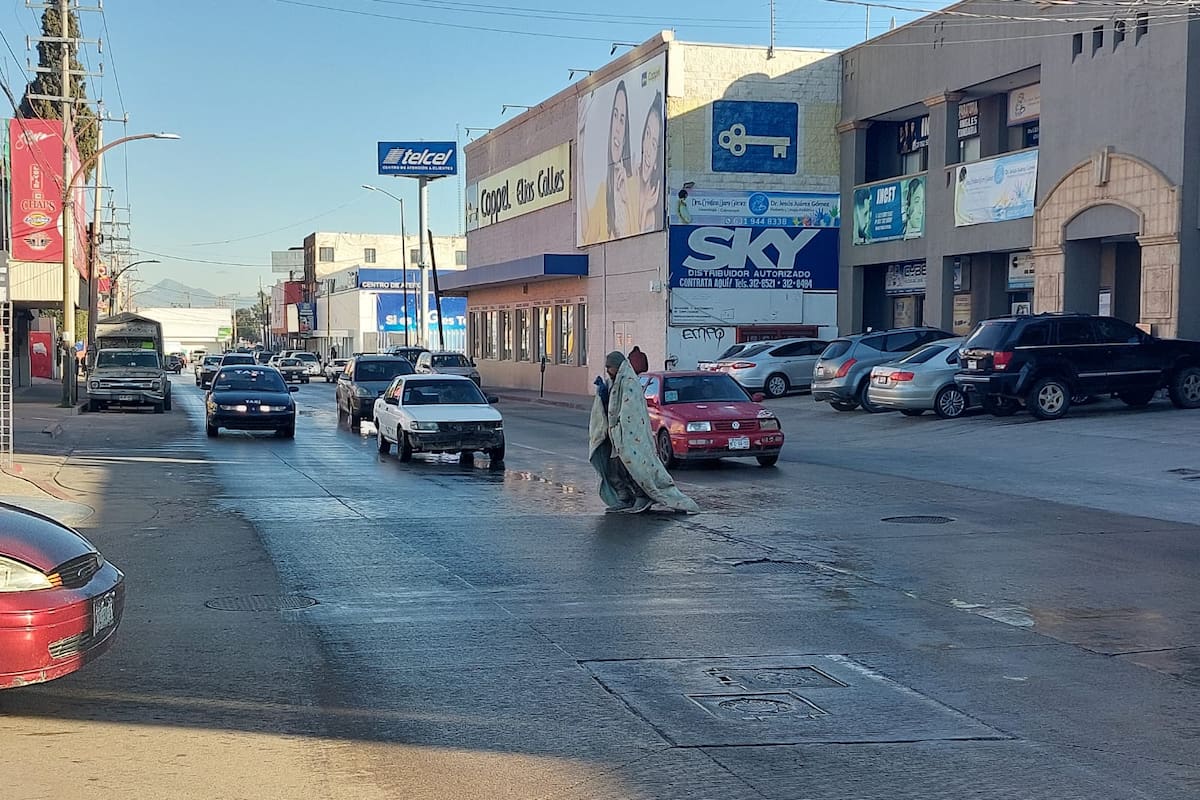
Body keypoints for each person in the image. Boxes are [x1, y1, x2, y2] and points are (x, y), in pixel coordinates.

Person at [589, 351, 699, 515]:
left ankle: (643, 496)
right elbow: (609, 406)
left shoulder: (629, 383)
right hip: (613, 435)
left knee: (635, 465)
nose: (607, 370)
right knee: (614, 467)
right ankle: (625, 497)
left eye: (609, 367)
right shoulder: (613, 383)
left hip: (628, 436)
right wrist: (603, 395)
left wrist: (620, 429)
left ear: (618, 367)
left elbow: (630, 411)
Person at [580, 81, 634, 243]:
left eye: (622, 120)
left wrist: (626, 198)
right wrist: (580, 153)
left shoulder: (634, 184)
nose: (617, 127)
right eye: (615, 116)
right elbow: (586, 233)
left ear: (625, 136)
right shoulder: (603, 192)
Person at [635, 92, 664, 233]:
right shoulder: (626, 184)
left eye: (654, 144)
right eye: (647, 133)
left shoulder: (652, 208)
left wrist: (645, 210)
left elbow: (639, 246)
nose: (647, 150)